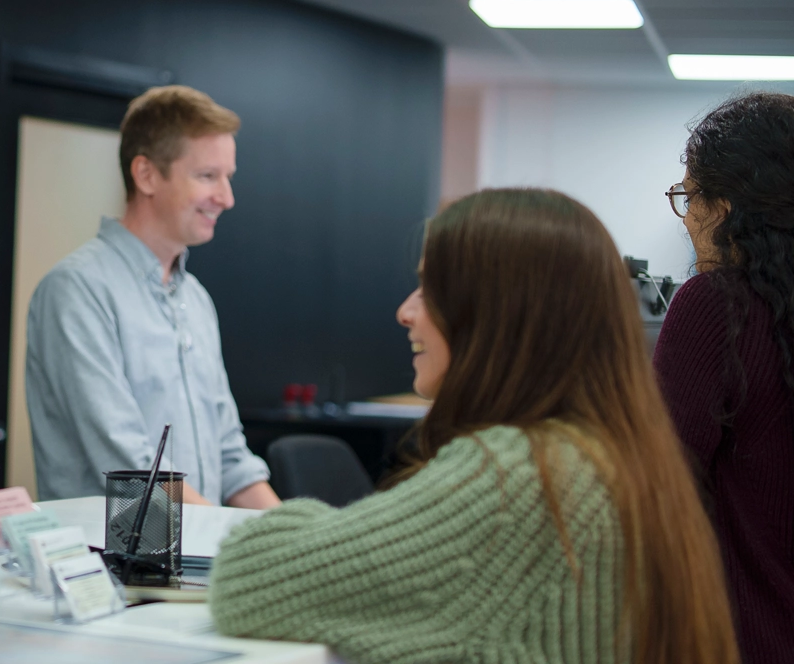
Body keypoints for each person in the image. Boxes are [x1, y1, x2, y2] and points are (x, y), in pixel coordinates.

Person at [209, 190, 738, 664]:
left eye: (427, 289)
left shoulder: (518, 476)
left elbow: (249, 580)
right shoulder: (616, 451)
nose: (404, 312)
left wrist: (319, 528)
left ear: (496, 314)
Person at [25, 85, 279, 508]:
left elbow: (232, 460)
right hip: (113, 567)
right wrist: (235, 543)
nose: (226, 198)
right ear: (146, 175)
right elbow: (132, 468)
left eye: (228, 177)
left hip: (197, 559)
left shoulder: (195, 299)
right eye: (207, 176)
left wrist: (301, 541)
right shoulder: (78, 290)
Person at [654, 92, 794, 664]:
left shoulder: (717, 307)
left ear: (727, 206)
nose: (686, 217)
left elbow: (659, 486)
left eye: (689, 195)